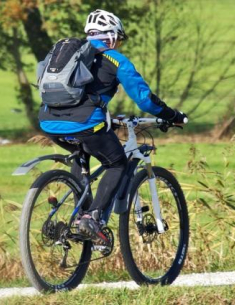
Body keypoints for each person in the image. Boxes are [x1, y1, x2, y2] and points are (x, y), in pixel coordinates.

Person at [38, 9, 187, 244]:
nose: (118, 44)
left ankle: (77, 216)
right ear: (111, 36)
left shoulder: (67, 55)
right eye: (118, 39)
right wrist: (173, 115)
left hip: (48, 122)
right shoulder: (115, 59)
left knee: (82, 152)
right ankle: (92, 217)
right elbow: (144, 99)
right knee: (116, 162)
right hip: (86, 123)